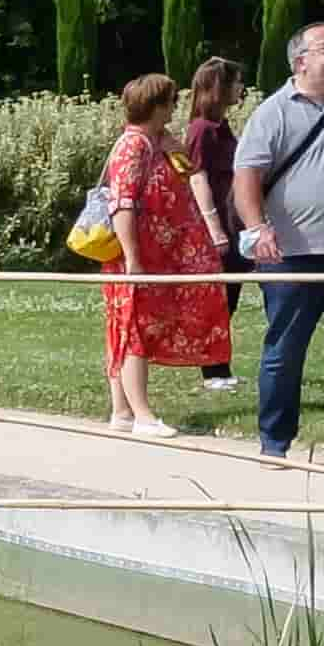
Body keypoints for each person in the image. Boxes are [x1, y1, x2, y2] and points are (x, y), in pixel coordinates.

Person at [231, 18, 324, 463]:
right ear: (300, 61)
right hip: (291, 260)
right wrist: (257, 229)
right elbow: (247, 177)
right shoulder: (273, 112)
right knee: (285, 351)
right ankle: (274, 443)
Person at [98, 72, 229, 436]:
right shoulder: (134, 146)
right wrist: (134, 260)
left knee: (126, 328)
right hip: (137, 258)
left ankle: (122, 411)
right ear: (156, 106)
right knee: (135, 329)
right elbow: (122, 205)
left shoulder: (154, 143)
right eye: (170, 101)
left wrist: (173, 148)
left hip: (153, 255)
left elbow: (187, 174)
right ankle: (142, 414)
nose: (175, 107)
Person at [177, 56, 246, 392]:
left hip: (233, 222)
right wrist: (214, 228)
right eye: (235, 82)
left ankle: (220, 365)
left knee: (229, 297)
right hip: (217, 225)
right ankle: (212, 370)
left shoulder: (221, 126)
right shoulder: (201, 130)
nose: (240, 88)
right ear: (220, 86)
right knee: (219, 298)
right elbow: (197, 178)